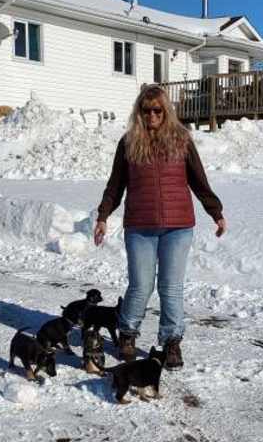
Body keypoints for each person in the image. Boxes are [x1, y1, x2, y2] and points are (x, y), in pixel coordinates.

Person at [94, 85, 226, 370]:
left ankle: (171, 342)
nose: (152, 116)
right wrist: (103, 216)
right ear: (139, 112)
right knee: (141, 285)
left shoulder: (181, 140)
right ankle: (127, 333)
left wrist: (215, 212)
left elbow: (199, 180)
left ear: (166, 111)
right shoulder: (129, 143)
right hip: (139, 227)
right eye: (146, 110)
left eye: (157, 110)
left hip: (178, 227)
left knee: (171, 287)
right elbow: (115, 186)